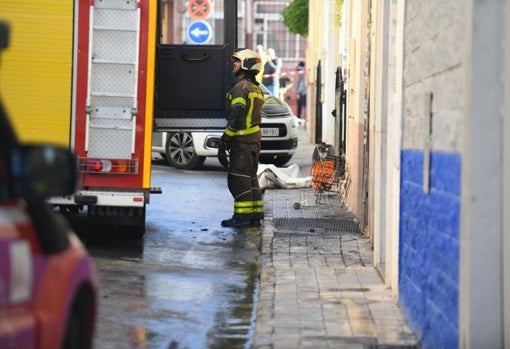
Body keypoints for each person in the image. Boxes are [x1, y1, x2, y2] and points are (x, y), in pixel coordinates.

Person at [220, 49, 265, 228]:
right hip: (253, 140)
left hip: (242, 142)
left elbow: (237, 117)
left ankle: (242, 217)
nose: (234, 64)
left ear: (246, 65)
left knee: (238, 179)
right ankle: (255, 215)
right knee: (250, 178)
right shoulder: (255, 88)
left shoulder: (241, 88)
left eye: (238, 62)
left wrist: (225, 139)